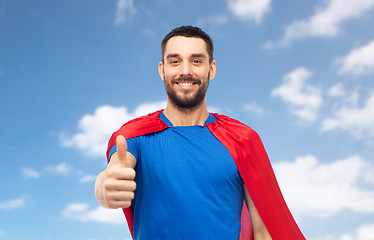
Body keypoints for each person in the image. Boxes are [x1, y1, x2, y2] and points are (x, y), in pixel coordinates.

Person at [95, 26, 305, 240]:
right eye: (175, 61)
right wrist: (105, 189)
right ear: (162, 70)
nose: (185, 70)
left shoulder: (241, 139)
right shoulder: (134, 136)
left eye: (196, 61)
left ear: (211, 69)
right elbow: (114, 172)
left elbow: (263, 231)